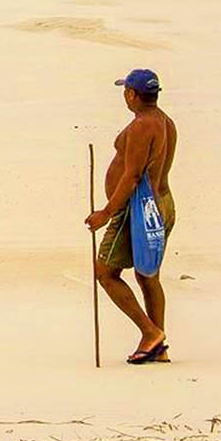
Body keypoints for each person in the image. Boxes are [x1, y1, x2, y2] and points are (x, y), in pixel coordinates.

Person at [85, 69, 177, 364]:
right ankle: (157, 345)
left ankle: (150, 333)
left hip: (136, 209)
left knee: (105, 272)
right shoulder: (166, 122)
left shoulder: (142, 125)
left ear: (131, 94)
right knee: (147, 275)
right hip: (162, 203)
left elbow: (133, 175)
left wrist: (107, 212)